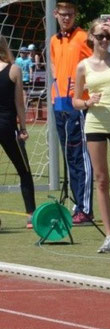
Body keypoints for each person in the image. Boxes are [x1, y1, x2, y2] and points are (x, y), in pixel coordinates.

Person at [72, 19, 110, 253]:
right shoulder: (83, 66)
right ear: (91, 37)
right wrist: (88, 102)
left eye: (107, 36)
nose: (104, 40)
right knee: (101, 180)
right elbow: (76, 100)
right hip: (95, 122)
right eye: (100, 36)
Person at [50, 0, 94, 225]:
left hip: (78, 104)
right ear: (56, 14)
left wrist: (84, 91)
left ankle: (85, 208)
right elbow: (55, 68)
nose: (66, 18)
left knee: (80, 156)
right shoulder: (54, 41)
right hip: (59, 103)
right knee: (68, 155)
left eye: (70, 14)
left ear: (75, 15)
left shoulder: (84, 38)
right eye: (62, 14)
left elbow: (95, 66)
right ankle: (77, 204)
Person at [0, 35, 36, 228]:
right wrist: (23, 128)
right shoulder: (14, 69)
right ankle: (31, 214)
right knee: (24, 170)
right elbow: (19, 103)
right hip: (6, 126)